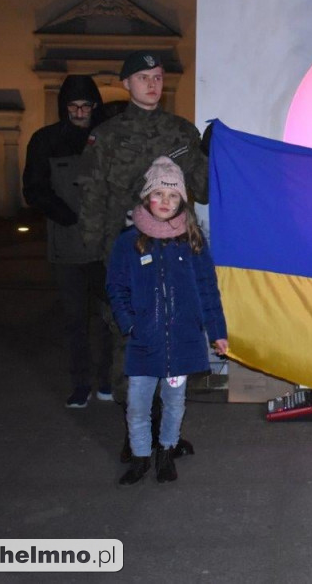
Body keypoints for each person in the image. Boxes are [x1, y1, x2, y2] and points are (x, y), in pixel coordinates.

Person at [77, 50, 209, 458]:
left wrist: (212, 154)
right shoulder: (108, 136)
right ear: (126, 83)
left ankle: (167, 430)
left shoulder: (182, 131)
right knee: (129, 340)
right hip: (129, 252)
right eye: (142, 77)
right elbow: (92, 198)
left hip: (176, 254)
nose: (152, 84)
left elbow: (201, 190)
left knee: (175, 337)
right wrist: (96, 260)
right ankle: (136, 432)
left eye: (157, 77)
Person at [107, 157, 228, 485]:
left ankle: (166, 453)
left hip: (182, 341)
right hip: (143, 342)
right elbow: (115, 286)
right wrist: (130, 323)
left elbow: (207, 289)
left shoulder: (192, 241)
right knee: (137, 405)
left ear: (182, 201)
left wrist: (217, 332)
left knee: (174, 403)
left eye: (173, 196)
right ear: (147, 197)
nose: (165, 202)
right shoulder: (128, 242)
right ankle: (140, 456)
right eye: (159, 194)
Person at [22, 75, 113, 408]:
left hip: (105, 246)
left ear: (94, 106)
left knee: (109, 318)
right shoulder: (45, 140)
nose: (79, 112)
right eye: (73, 106)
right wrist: (69, 217)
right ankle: (80, 384)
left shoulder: (107, 137)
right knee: (74, 320)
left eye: (85, 106)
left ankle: (107, 379)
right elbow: (34, 189)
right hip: (68, 247)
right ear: (65, 108)